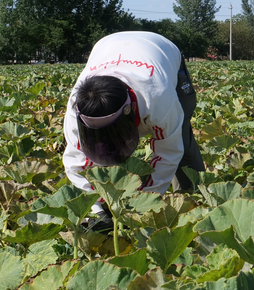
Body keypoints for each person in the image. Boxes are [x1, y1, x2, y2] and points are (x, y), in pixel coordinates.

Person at [63, 31, 205, 232]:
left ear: (132, 112)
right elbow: (75, 163)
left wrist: (143, 206)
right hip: (108, 46)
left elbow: (169, 153)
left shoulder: (158, 98)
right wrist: (96, 211)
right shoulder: (77, 106)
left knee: (183, 142)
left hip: (162, 50)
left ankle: (193, 198)